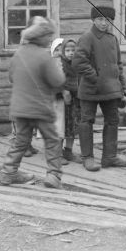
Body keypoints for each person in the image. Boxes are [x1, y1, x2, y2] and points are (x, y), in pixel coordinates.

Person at [0, 18, 66, 188]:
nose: (50, 38)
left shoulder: (19, 53)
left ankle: (7, 173)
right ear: (40, 37)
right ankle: (53, 176)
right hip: (41, 107)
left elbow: (11, 77)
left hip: (20, 109)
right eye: (48, 35)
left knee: (20, 142)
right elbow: (58, 81)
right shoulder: (45, 56)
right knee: (52, 140)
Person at [73, 5, 126, 171]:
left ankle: (109, 157)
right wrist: (95, 78)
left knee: (113, 121)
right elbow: (79, 62)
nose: (104, 23)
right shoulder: (87, 37)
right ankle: (88, 158)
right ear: (93, 20)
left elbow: (118, 66)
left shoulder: (113, 39)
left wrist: (123, 88)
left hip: (111, 90)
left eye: (108, 20)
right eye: (100, 19)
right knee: (86, 121)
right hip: (90, 89)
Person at [59, 39, 82, 163]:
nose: (71, 53)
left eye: (73, 50)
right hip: (62, 101)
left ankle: (68, 151)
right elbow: (57, 80)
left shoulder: (78, 64)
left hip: (76, 99)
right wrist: (63, 90)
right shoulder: (60, 64)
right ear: (63, 51)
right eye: (67, 50)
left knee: (72, 126)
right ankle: (58, 153)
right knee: (61, 126)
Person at [50, 38, 69, 166]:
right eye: (56, 49)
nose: (58, 52)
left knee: (61, 126)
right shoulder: (51, 63)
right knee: (56, 126)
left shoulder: (65, 63)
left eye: (60, 50)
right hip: (54, 99)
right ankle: (56, 155)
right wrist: (62, 90)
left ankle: (59, 151)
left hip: (62, 99)